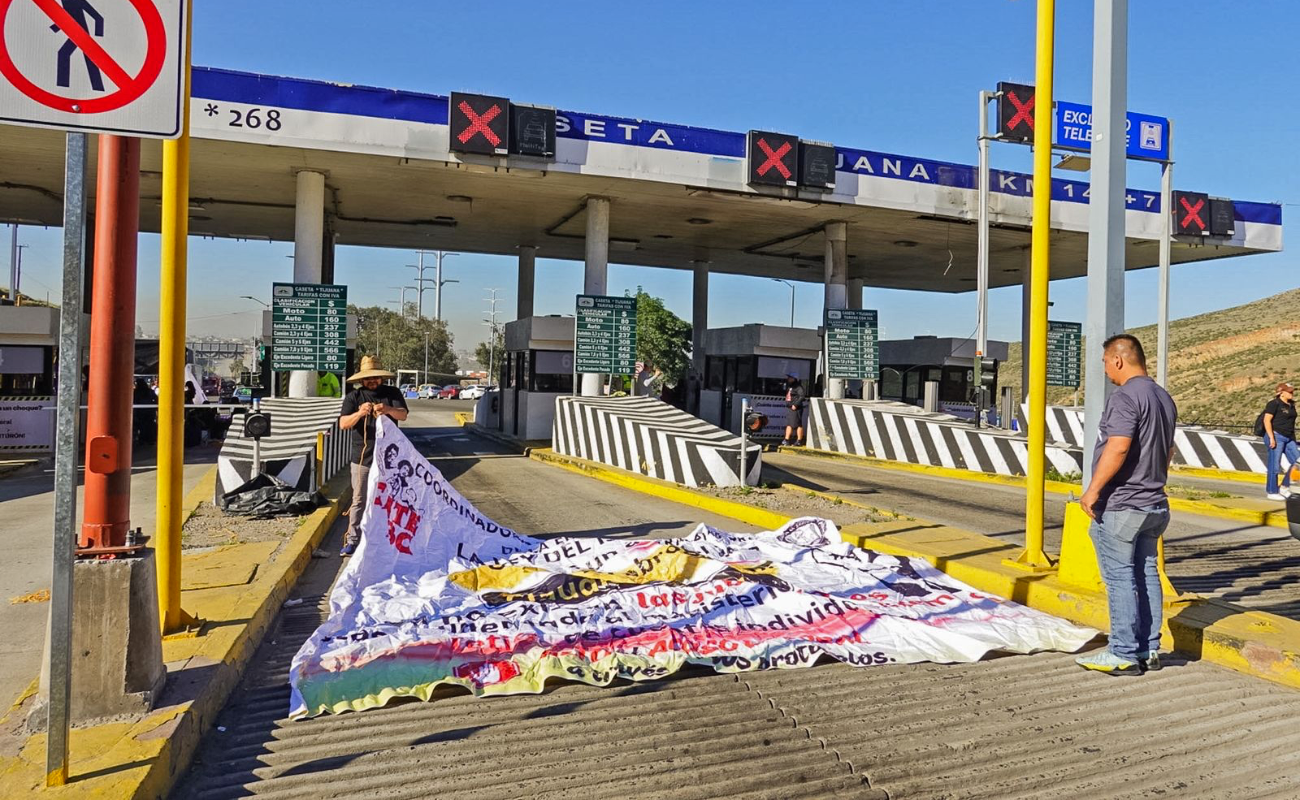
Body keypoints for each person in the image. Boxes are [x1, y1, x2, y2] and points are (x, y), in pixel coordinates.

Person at [1077, 334, 1177, 677]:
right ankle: (1149, 648)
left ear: (1118, 360)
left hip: (1123, 504)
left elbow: (1118, 447)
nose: (1105, 369)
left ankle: (1122, 651)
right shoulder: (1163, 397)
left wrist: (1092, 491)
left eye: (1105, 362)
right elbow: (1168, 451)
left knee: (1120, 578)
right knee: (1147, 572)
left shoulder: (1125, 397)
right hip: (1154, 503)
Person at [338, 356, 409, 556]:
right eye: (369, 379)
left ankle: (390, 537)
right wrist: (360, 413)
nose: (373, 381)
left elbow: (403, 414)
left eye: (376, 378)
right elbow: (343, 424)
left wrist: (387, 410)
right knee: (359, 498)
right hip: (362, 457)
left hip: (390, 459)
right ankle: (353, 539)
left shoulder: (392, 393)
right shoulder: (354, 397)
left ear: (381, 378)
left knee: (392, 497)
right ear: (362, 380)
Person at [1262, 381, 1297, 501]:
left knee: (1297, 462)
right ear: (1281, 392)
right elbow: (1267, 421)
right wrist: (1271, 437)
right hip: (1276, 435)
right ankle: (1271, 491)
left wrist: (1293, 438)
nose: (1292, 393)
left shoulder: (1291, 405)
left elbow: (1290, 423)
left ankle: (1284, 486)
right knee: (1274, 465)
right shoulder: (1274, 404)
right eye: (1289, 391)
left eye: (1292, 391)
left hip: (1289, 437)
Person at [782, 373, 807, 446]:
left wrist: (795, 404)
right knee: (790, 423)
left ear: (794, 378)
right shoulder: (791, 386)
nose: (788, 379)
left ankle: (799, 440)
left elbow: (802, 396)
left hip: (795, 408)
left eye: (790, 377)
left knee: (797, 424)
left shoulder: (798, 387)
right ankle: (786, 439)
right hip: (790, 407)